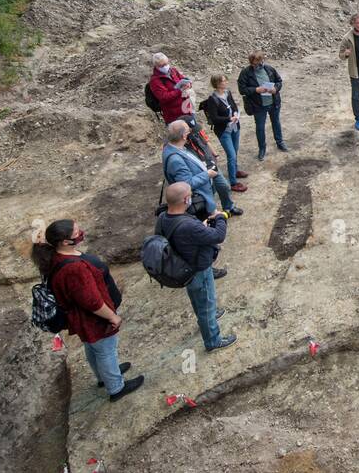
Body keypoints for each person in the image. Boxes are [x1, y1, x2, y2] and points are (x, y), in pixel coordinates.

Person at [32, 220, 143, 401]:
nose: (81, 232)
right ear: (65, 242)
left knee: (92, 346)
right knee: (106, 350)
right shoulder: (74, 268)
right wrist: (112, 316)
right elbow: (91, 301)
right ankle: (116, 387)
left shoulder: (55, 257)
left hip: (79, 317)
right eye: (76, 232)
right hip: (92, 318)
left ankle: (104, 376)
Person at [156, 182, 237, 352]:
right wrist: (220, 217)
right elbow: (218, 236)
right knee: (206, 302)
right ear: (186, 200)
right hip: (198, 269)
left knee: (197, 299)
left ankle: (207, 316)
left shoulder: (164, 217)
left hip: (183, 268)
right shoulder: (188, 225)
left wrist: (201, 228)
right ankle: (213, 341)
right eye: (190, 195)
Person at [163, 119, 243, 217]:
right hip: (200, 195)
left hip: (208, 172)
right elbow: (186, 184)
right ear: (184, 136)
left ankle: (226, 208)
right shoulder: (175, 159)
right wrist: (207, 174)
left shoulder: (177, 147)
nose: (191, 133)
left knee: (223, 187)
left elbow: (205, 145)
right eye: (188, 131)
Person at [201, 75, 249, 191]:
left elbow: (234, 106)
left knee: (235, 151)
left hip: (234, 128)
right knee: (231, 156)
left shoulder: (227, 93)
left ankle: (235, 171)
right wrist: (229, 119)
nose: (226, 82)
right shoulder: (213, 99)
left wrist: (236, 114)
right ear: (217, 84)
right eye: (223, 81)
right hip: (224, 131)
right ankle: (233, 183)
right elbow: (215, 118)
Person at [237, 52, 287, 159]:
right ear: (251, 63)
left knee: (276, 122)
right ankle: (262, 149)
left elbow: (279, 81)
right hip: (258, 105)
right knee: (260, 128)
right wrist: (256, 90)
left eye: (261, 62)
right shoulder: (245, 73)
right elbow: (242, 89)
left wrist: (276, 89)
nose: (259, 64)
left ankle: (280, 142)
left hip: (273, 102)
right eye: (256, 63)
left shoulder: (269, 69)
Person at [148, 52, 193, 125]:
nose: (165, 66)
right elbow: (164, 97)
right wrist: (180, 90)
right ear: (156, 66)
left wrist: (188, 84)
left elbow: (183, 79)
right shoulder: (155, 81)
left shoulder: (173, 71)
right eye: (162, 65)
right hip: (174, 116)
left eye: (166, 63)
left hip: (187, 110)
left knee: (196, 134)